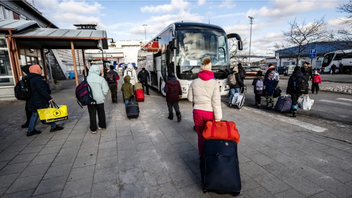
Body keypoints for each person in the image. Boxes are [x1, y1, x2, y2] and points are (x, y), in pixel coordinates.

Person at [187, 57, 222, 156]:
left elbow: (190, 99)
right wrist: (218, 117)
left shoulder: (194, 82)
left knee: (200, 136)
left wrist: (198, 101)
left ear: (201, 69)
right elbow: (216, 102)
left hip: (197, 111)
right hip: (209, 112)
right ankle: (210, 155)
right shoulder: (214, 83)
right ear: (210, 69)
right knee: (210, 134)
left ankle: (202, 156)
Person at [26, 64, 63, 136]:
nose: (41, 70)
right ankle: (53, 126)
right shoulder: (37, 78)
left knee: (35, 114)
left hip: (32, 100)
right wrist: (49, 98)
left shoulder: (29, 78)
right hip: (39, 100)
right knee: (46, 113)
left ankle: (30, 130)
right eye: (39, 69)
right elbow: (41, 90)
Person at [87, 65, 109, 134]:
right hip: (100, 99)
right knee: (101, 113)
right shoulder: (101, 79)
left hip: (90, 100)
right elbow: (105, 90)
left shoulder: (86, 79)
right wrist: (103, 95)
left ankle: (93, 128)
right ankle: (102, 125)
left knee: (92, 114)